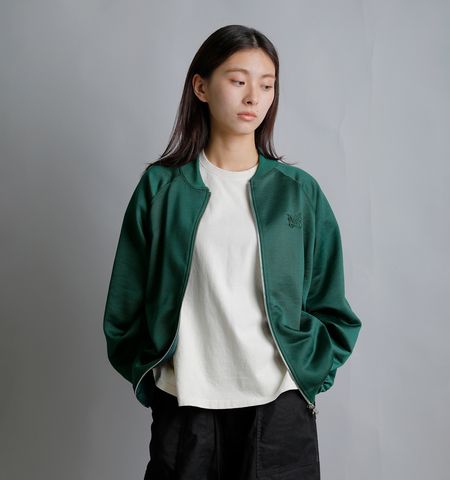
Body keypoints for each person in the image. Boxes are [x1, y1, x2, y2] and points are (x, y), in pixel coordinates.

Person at [103, 24, 361, 480]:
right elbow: (125, 302)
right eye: (238, 80)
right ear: (201, 87)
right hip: (186, 405)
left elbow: (331, 304)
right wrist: (154, 375)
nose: (253, 97)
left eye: (267, 85)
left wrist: (308, 373)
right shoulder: (161, 189)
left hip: (279, 405)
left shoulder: (298, 193)